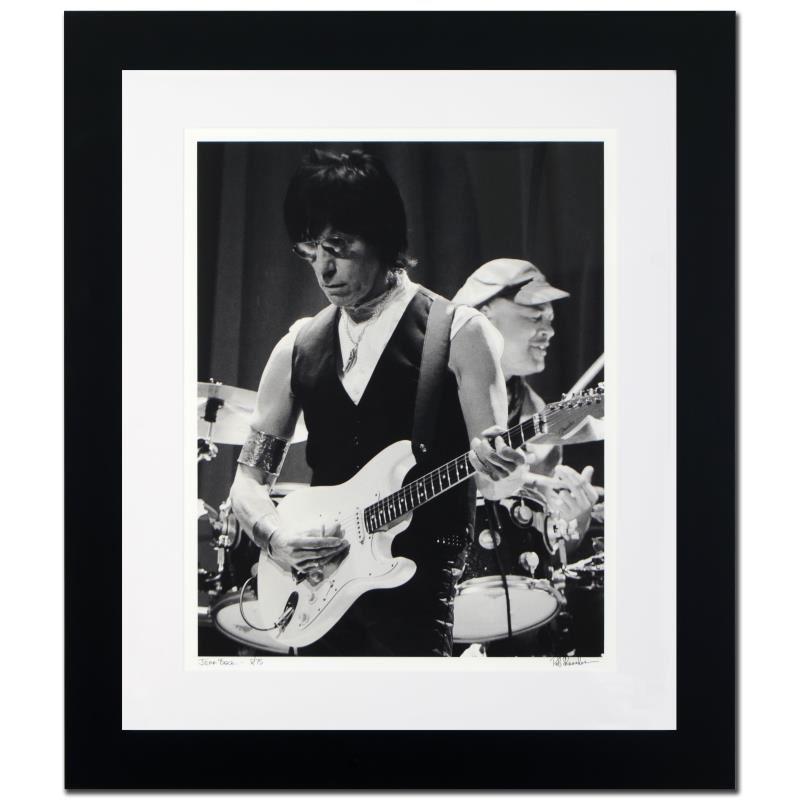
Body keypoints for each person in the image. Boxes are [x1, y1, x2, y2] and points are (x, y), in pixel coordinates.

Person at [229, 150, 528, 656]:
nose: (324, 269)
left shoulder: (459, 332)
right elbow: (247, 481)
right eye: (310, 252)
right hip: (319, 592)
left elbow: (502, 482)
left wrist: (503, 463)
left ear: (383, 237)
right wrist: (273, 536)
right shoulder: (297, 347)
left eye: (338, 248)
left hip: (416, 594)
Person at [452, 258, 601, 559]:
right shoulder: (426, 389)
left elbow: (535, 552)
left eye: (550, 319)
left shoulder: (538, 414)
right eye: (535, 317)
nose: (550, 331)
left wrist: (574, 521)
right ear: (484, 316)